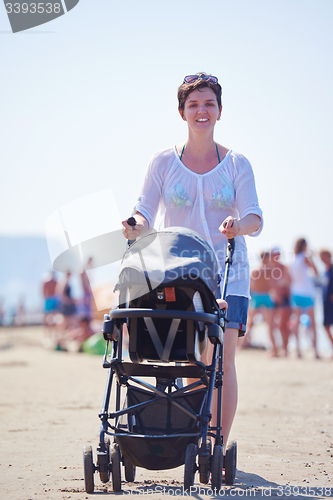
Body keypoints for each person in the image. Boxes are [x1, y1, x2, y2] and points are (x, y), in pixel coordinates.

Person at [122, 73, 263, 446]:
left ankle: (216, 446)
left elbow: (255, 217)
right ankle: (195, 436)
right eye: (194, 104)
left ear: (219, 111)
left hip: (230, 272)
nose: (202, 111)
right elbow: (144, 212)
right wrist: (134, 225)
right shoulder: (163, 161)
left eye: (209, 104)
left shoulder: (237, 163)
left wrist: (238, 225)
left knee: (223, 360)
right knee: (191, 359)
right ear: (182, 112)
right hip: (179, 273)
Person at [289, 238, 319, 358]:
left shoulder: (292, 259)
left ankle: (298, 350)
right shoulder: (305, 257)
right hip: (307, 292)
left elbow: (290, 278)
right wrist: (312, 257)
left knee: (296, 321)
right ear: (304, 246)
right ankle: (315, 351)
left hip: (296, 292)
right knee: (313, 323)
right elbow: (316, 272)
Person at [245, 251, 277, 356]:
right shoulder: (269, 269)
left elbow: (250, 285)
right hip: (265, 296)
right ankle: (275, 349)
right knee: (269, 324)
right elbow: (272, 284)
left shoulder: (256, 269)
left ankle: (239, 347)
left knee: (250, 323)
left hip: (257, 296)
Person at [270, 247, 292, 357]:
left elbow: (287, 282)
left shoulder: (284, 268)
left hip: (284, 299)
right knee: (272, 325)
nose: (276, 256)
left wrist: (277, 290)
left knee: (283, 326)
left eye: (278, 254)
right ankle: (275, 349)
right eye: (275, 254)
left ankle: (285, 349)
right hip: (274, 300)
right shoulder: (270, 268)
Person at [319, 249, 333, 358]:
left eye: (322, 256)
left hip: (331, 303)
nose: (321, 259)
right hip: (326, 303)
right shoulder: (325, 270)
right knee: (326, 326)